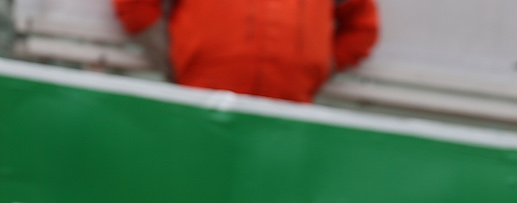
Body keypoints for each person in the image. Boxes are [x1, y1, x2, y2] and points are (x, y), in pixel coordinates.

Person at [112, 0, 379, 103]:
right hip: (199, 106)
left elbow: (362, 27)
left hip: (288, 118)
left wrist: (314, 69)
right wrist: (174, 60)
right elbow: (134, 5)